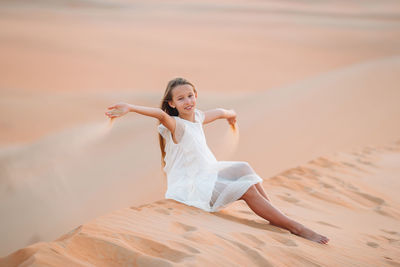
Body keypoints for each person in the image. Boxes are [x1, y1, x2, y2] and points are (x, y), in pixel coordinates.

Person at [105, 77, 329, 244]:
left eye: (190, 95)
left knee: (244, 167)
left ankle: (274, 214)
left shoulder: (199, 117)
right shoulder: (176, 126)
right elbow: (160, 115)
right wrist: (131, 108)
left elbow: (219, 112)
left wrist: (231, 114)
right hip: (192, 187)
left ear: (196, 96)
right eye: (181, 98)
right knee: (247, 189)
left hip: (208, 173)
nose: (188, 101)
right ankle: (297, 228)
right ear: (172, 104)